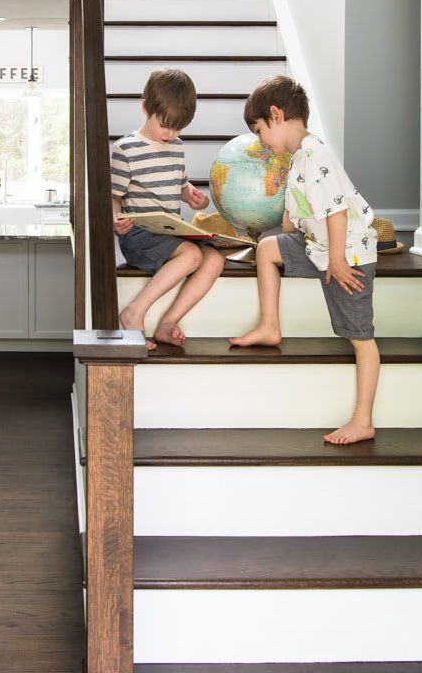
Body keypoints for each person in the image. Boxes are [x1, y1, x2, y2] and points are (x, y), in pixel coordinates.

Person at [230, 75, 380, 445]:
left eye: (260, 130)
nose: (260, 140)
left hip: (348, 255)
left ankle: (363, 420)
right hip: (318, 247)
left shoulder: (315, 154)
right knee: (268, 249)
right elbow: (294, 214)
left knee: (360, 338)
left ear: (277, 115)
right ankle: (269, 325)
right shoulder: (297, 158)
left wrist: (340, 260)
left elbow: (337, 211)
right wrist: (277, 231)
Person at [111, 67, 225, 348]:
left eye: (179, 127)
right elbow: (113, 196)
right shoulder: (126, 149)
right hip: (138, 235)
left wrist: (193, 198)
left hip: (169, 233)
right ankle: (134, 311)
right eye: (165, 125)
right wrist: (116, 218)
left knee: (215, 259)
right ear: (145, 108)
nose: (171, 133)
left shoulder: (176, 146)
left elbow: (181, 187)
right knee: (190, 255)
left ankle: (167, 323)